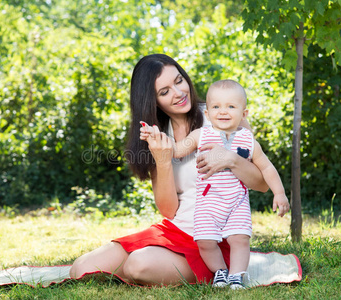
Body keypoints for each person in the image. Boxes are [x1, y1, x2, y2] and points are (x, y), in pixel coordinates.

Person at [69, 54, 269, 286]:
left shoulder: (222, 114)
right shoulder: (158, 135)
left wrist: (231, 159)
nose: (178, 93)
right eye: (164, 92)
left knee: (138, 264)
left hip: (216, 239)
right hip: (175, 230)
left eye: (178, 81)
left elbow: (262, 184)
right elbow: (168, 210)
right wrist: (163, 161)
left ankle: (221, 272)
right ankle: (148, 266)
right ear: (152, 101)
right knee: (81, 269)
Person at [140, 79, 290, 289]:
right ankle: (220, 271)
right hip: (208, 203)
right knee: (205, 242)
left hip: (236, 202)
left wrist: (280, 193)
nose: (223, 111)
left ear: (244, 114)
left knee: (240, 239)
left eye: (231, 106)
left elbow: (267, 168)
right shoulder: (202, 134)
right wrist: (154, 137)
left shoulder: (248, 140)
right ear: (208, 114)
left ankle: (237, 275)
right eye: (216, 107)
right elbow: (176, 149)